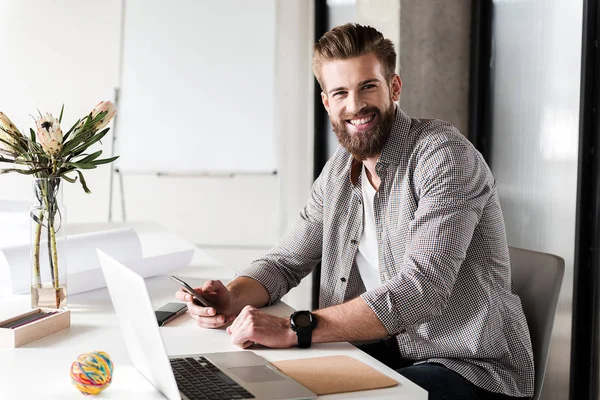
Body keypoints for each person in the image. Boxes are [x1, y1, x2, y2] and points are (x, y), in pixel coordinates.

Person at [176, 23, 533, 400]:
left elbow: (422, 289)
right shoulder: (338, 172)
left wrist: (293, 328)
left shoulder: (444, 156)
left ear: (393, 87)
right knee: (259, 380)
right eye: (340, 93)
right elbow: (284, 262)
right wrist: (232, 298)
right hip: (391, 349)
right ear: (327, 102)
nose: (355, 106)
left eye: (368, 86)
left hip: (469, 366)